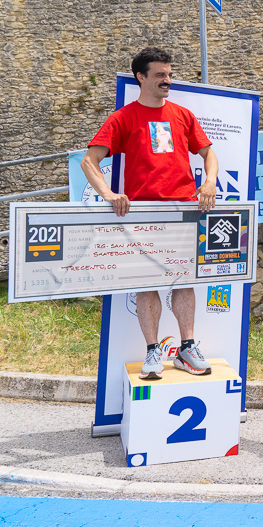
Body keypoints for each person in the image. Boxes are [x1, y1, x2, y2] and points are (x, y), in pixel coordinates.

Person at [81, 47, 219, 380]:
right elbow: (89, 161)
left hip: (184, 209)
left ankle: (187, 348)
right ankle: (153, 351)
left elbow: (209, 154)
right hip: (143, 213)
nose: (167, 80)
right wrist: (108, 193)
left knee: (184, 280)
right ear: (141, 77)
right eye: (160, 75)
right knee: (147, 284)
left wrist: (210, 181)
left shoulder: (183, 115)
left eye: (169, 75)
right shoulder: (124, 117)